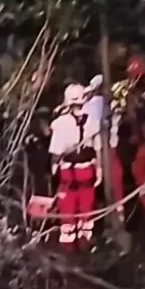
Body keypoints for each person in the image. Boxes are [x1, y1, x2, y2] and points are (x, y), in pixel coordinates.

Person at [48, 82, 101, 251]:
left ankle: (68, 248)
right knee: (86, 210)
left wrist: (53, 169)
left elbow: (56, 152)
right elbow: (97, 149)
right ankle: (85, 245)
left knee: (67, 212)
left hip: (68, 173)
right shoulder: (93, 122)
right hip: (88, 170)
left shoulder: (60, 123)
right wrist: (99, 169)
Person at [111, 55, 145, 217]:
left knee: (138, 169)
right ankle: (143, 208)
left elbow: (139, 117)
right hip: (136, 139)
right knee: (127, 169)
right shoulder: (125, 91)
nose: (137, 81)